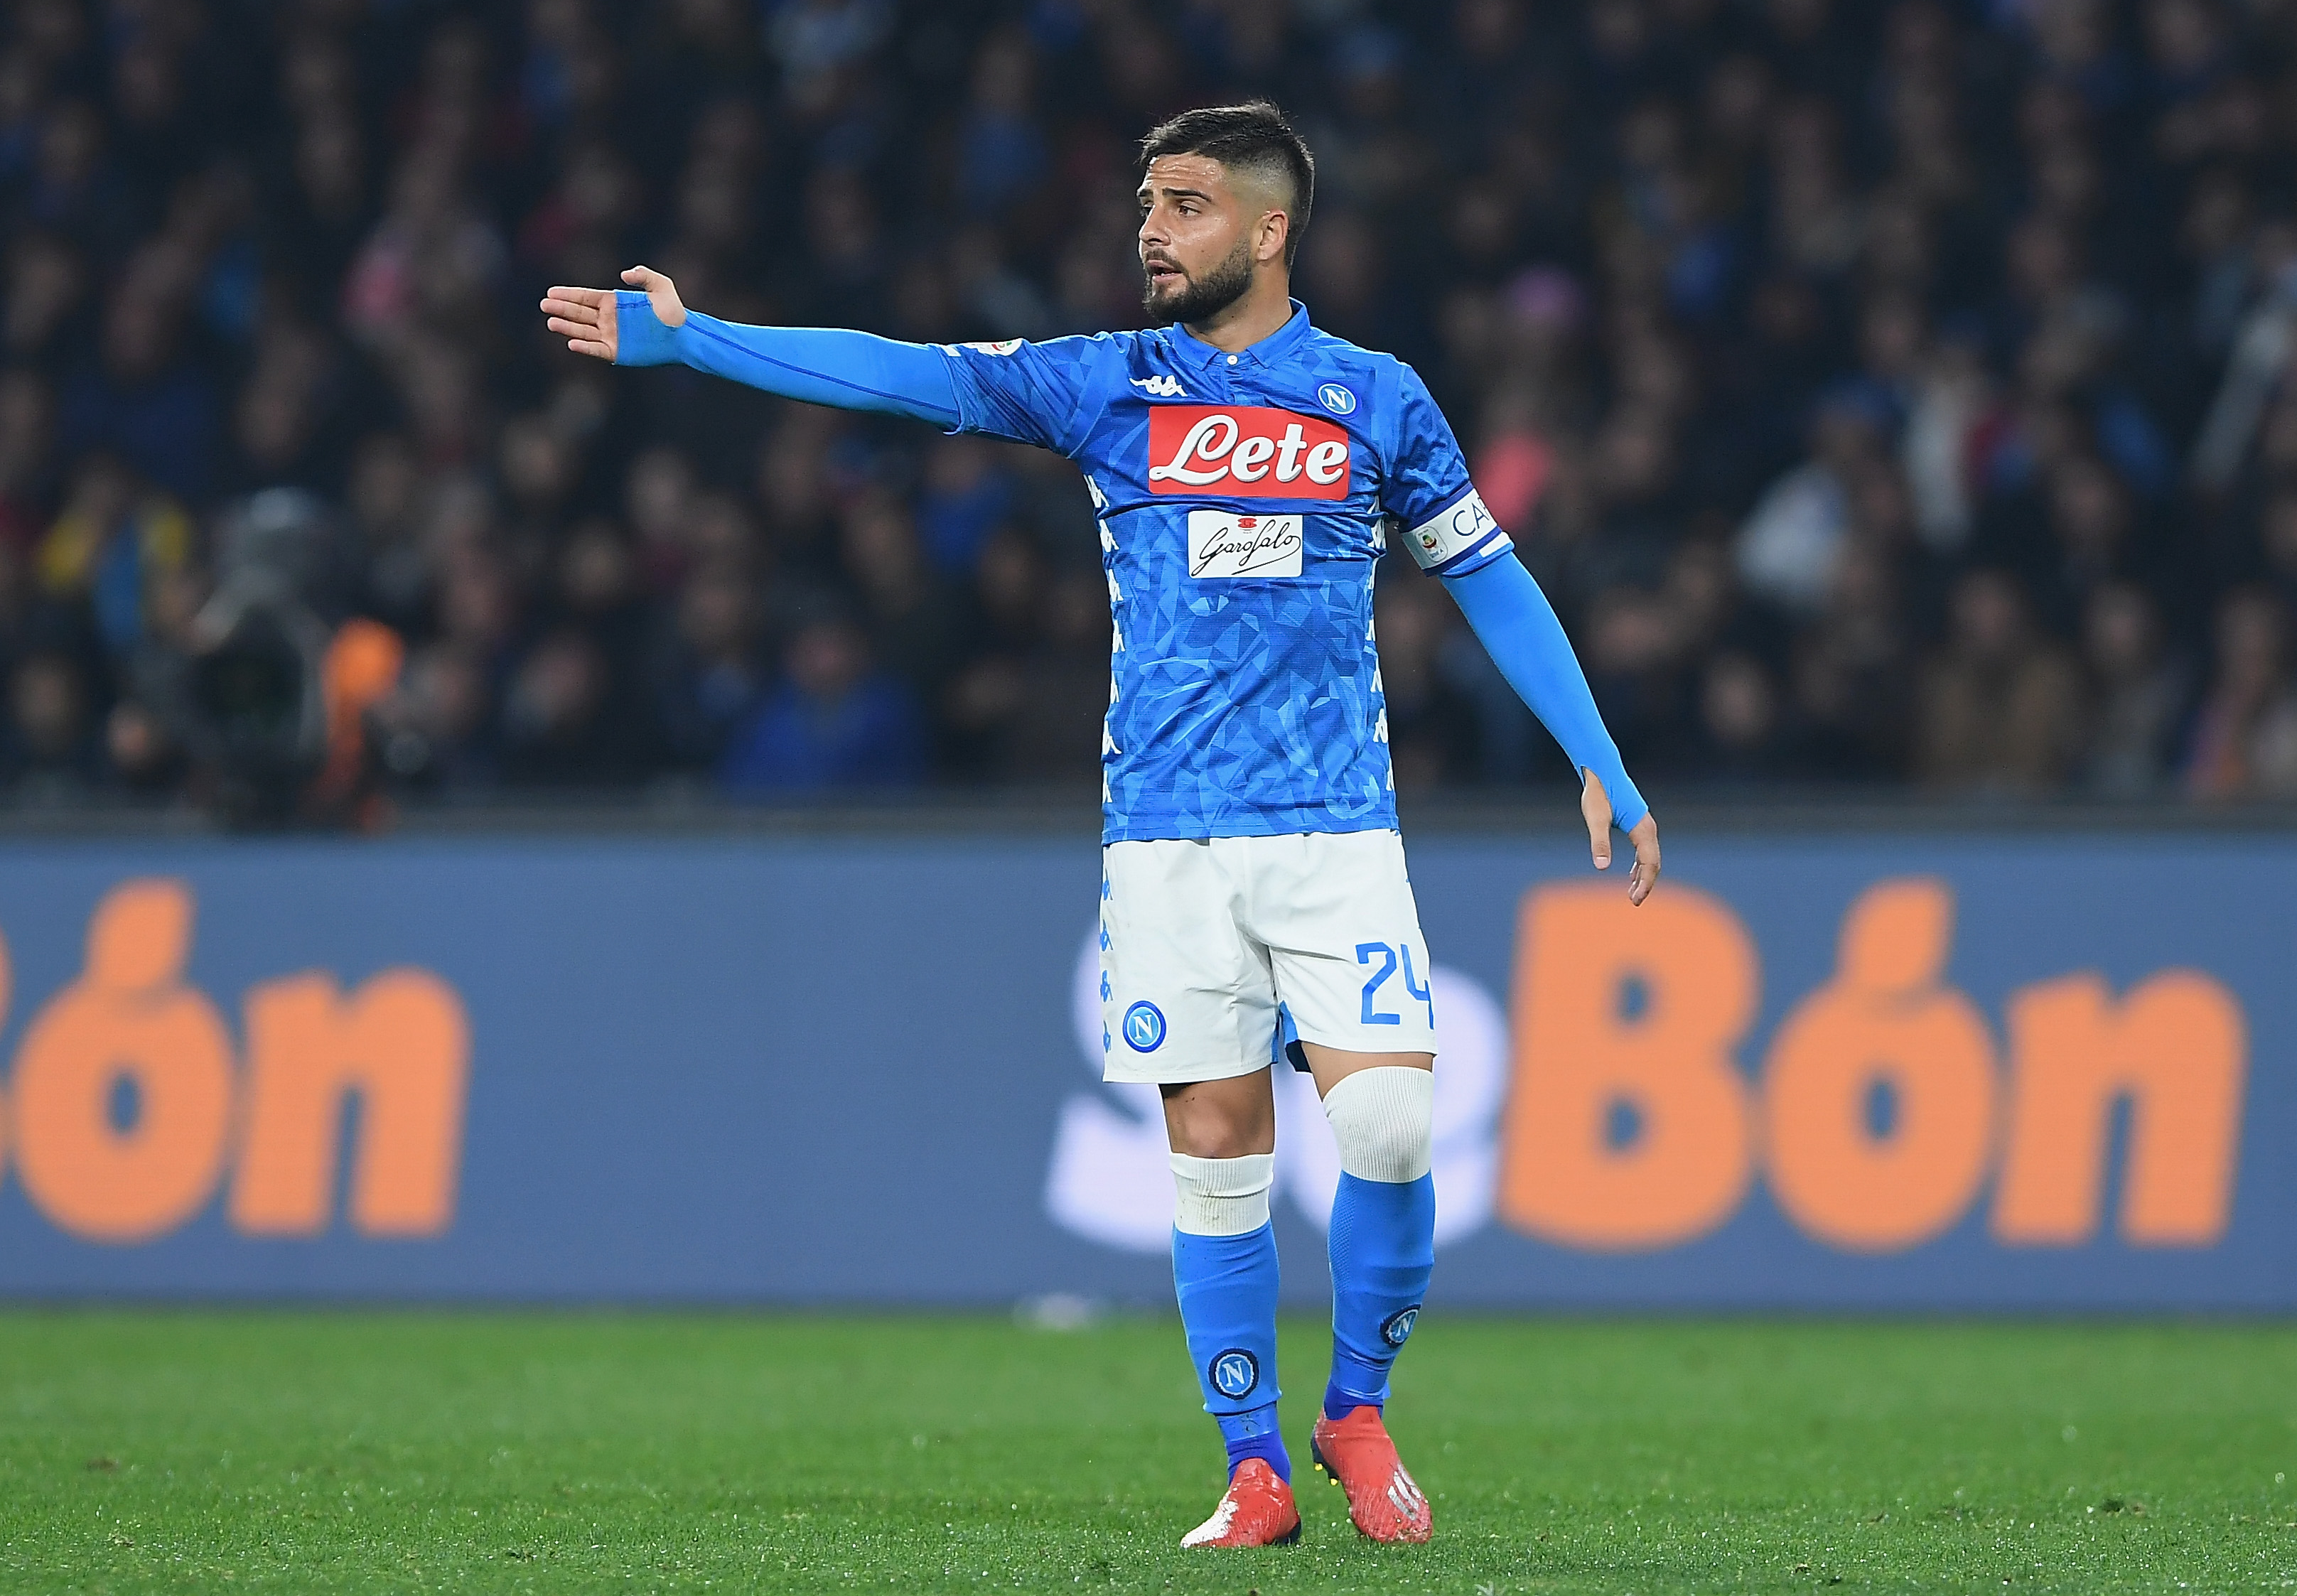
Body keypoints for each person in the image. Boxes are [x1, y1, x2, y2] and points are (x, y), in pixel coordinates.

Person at [542, 101, 1658, 1551]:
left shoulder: (1376, 398)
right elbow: (903, 378)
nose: (1151, 228)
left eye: (1186, 204)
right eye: (1146, 201)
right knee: (1215, 1148)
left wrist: (1597, 756)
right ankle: (1254, 1465)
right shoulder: (1104, 386)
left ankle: (1356, 1408)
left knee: (1385, 1125)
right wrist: (702, 341)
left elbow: (1489, 578)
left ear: (1268, 230)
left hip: (1332, 828)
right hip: (1168, 838)